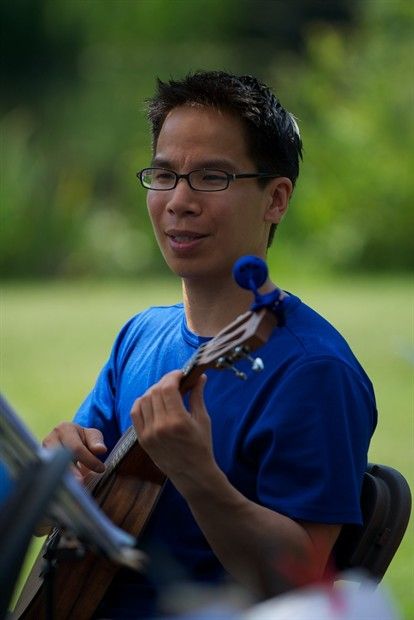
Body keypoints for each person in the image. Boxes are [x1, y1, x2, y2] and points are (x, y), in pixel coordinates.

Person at [42, 71, 377, 618]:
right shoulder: (140, 334)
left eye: (211, 177)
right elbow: (56, 514)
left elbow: (299, 584)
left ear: (276, 199)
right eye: (164, 175)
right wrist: (55, 476)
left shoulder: (314, 370)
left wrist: (197, 475)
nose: (179, 201)